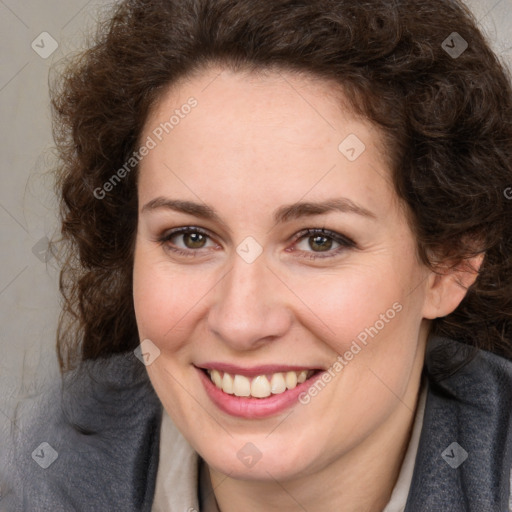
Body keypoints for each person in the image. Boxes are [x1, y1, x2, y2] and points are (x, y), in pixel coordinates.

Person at [1, 0, 512, 510]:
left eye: (319, 240)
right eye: (190, 237)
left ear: (450, 263)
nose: (241, 322)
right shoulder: (42, 468)